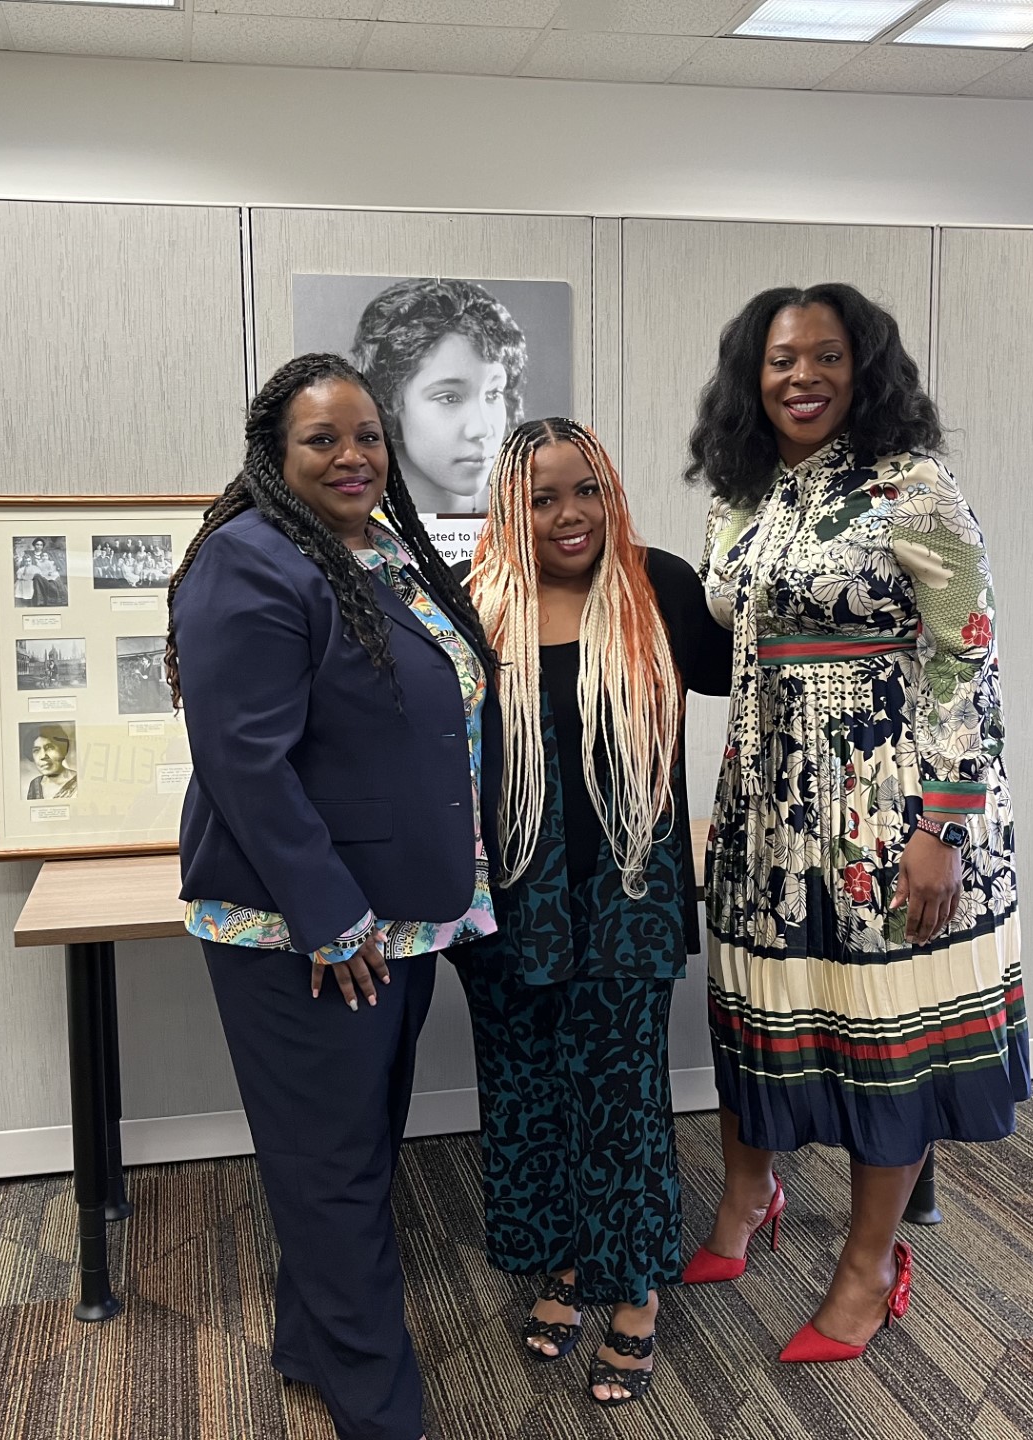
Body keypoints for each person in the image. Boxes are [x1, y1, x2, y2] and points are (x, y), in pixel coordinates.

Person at [683, 284, 1030, 1363]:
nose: (802, 378)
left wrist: (945, 824)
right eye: (782, 360)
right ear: (753, 375)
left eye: (826, 357)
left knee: (890, 1036)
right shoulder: (741, 495)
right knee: (757, 1007)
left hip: (888, 806)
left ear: (862, 369)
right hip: (769, 807)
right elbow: (728, 642)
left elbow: (964, 655)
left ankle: (871, 1265)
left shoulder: (912, 487)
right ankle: (750, 1200)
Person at [167, 352, 498, 1440]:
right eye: (323, 440)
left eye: (366, 436)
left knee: (348, 1149)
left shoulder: (386, 551)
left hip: (396, 918)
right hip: (307, 929)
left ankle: (311, 1343)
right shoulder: (249, 563)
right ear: (275, 453)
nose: (352, 456)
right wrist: (331, 917)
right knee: (335, 1172)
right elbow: (243, 762)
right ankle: (377, 1404)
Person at [452, 418, 729, 1408]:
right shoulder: (473, 609)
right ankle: (565, 1261)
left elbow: (762, 670)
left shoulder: (662, 589)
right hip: (512, 889)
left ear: (609, 494)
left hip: (628, 890)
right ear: (508, 511)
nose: (568, 516)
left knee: (619, 1103)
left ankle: (633, 1289)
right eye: (542, 497)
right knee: (525, 1090)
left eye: (586, 492)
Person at [351, 277, 526, 514]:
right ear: (390, 401)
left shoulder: (524, 519)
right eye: (449, 398)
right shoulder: (351, 527)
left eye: (493, 393)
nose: (482, 429)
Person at [25, 726, 77, 800]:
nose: (43, 756)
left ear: (62, 750)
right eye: (36, 750)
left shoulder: (80, 784)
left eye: (49, 747)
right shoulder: (34, 784)